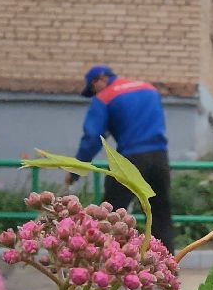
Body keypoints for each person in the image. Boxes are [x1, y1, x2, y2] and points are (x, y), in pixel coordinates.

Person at [72, 64, 175, 249]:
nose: (94, 94)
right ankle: (166, 270)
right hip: (160, 157)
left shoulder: (105, 97)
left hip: (130, 159)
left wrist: (76, 170)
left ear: (100, 79)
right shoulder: (149, 89)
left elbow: (92, 137)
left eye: (92, 88)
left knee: (110, 214)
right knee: (160, 213)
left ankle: (107, 264)